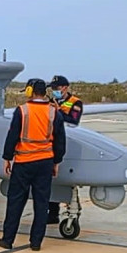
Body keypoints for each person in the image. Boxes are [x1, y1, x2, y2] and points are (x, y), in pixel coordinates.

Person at [0, 78, 66, 251]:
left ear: (30, 91)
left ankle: (7, 240)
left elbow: (12, 136)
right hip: (45, 162)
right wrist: (56, 161)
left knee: (15, 201)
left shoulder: (22, 111)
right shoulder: (54, 113)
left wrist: (7, 157)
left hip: (23, 162)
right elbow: (60, 140)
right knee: (42, 203)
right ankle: (36, 242)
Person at [47, 75, 83, 223]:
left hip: (67, 141)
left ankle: (71, 206)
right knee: (51, 179)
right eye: (52, 88)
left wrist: (59, 111)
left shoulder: (75, 103)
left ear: (65, 88)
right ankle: (52, 212)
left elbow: (74, 120)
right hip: (52, 142)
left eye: (57, 88)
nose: (54, 91)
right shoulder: (50, 101)